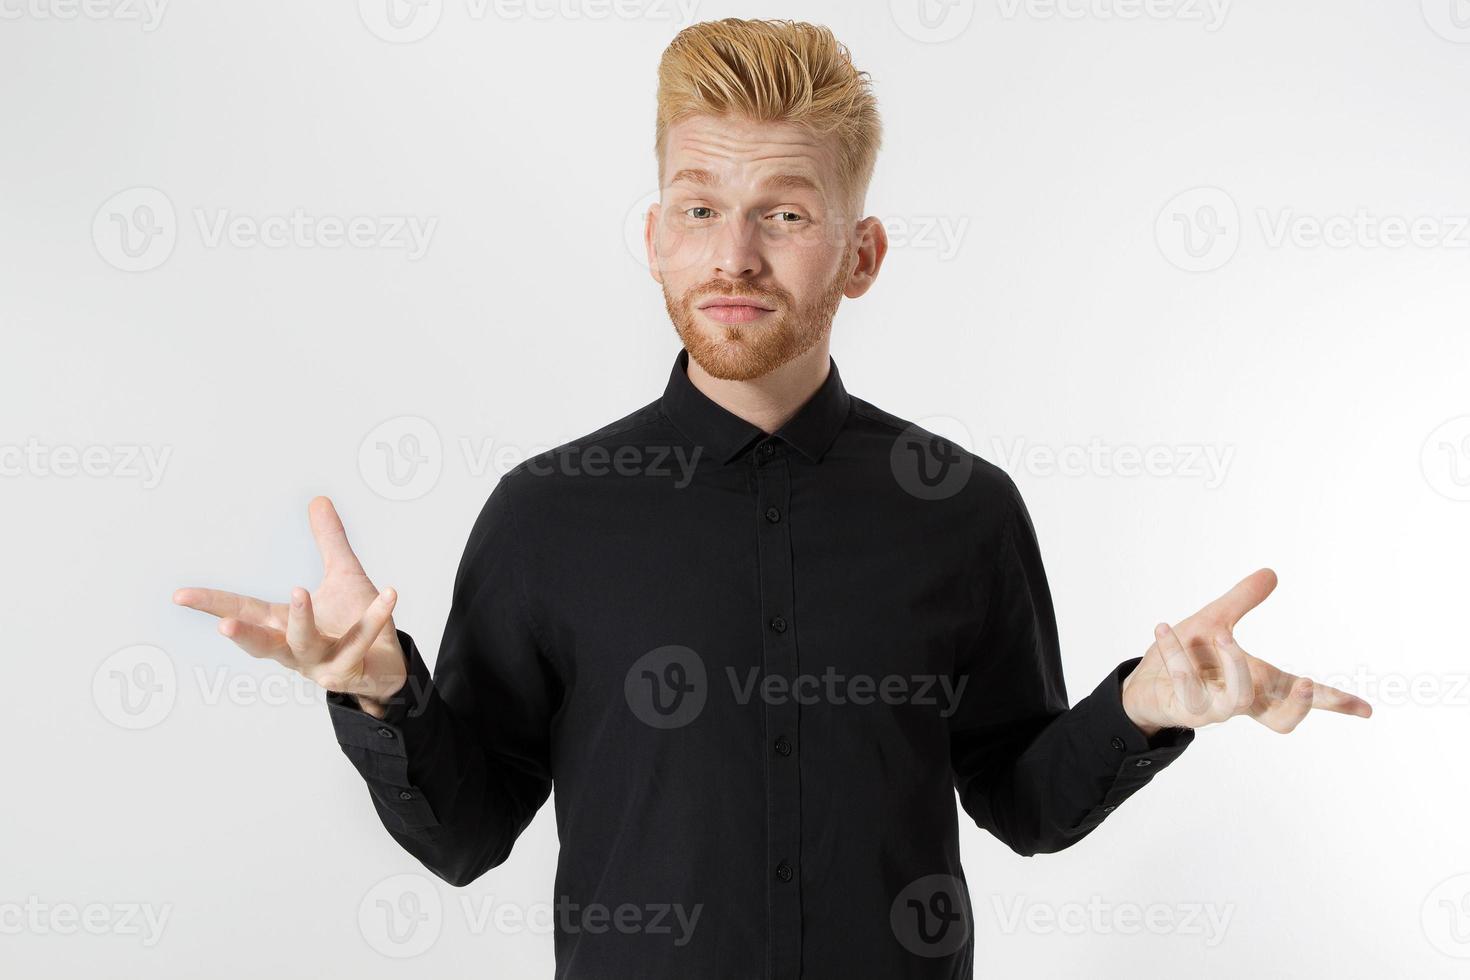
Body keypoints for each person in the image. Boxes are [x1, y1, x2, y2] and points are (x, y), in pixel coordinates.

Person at [173, 17, 1372, 979]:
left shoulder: (961, 508)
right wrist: (382, 698)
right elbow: (466, 833)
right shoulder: (548, 513)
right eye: (700, 209)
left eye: (785, 214)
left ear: (862, 252)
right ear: (653, 236)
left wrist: (1146, 703)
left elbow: (1023, 801)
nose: (734, 257)